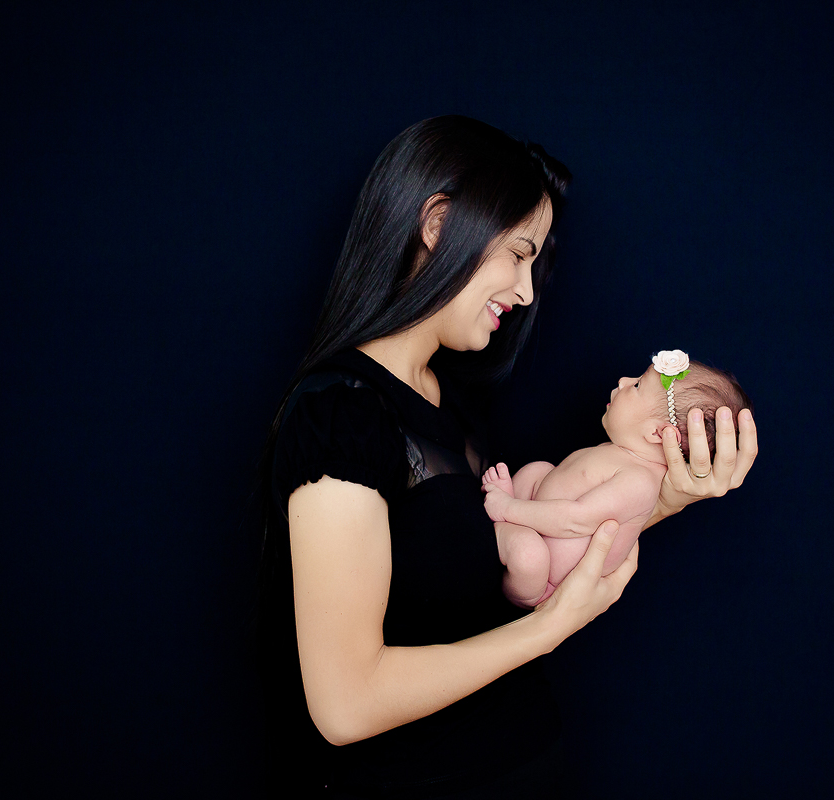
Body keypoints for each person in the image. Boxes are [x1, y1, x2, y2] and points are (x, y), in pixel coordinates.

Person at [256, 117, 758, 797]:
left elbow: (539, 552)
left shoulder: (454, 404)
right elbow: (346, 707)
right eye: (519, 255)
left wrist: (668, 495)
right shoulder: (341, 416)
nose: (526, 292)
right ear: (438, 225)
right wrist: (546, 631)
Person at [482, 350, 753, 608]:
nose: (624, 380)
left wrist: (509, 508)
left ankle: (502, 521)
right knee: (539, 470)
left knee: (529, 555)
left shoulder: (639, 482)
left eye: (637, 385)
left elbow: (577, 519)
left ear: (657, 433)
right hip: (538, 520)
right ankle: (505, 520)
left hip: (543, 575)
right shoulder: (624, 454)